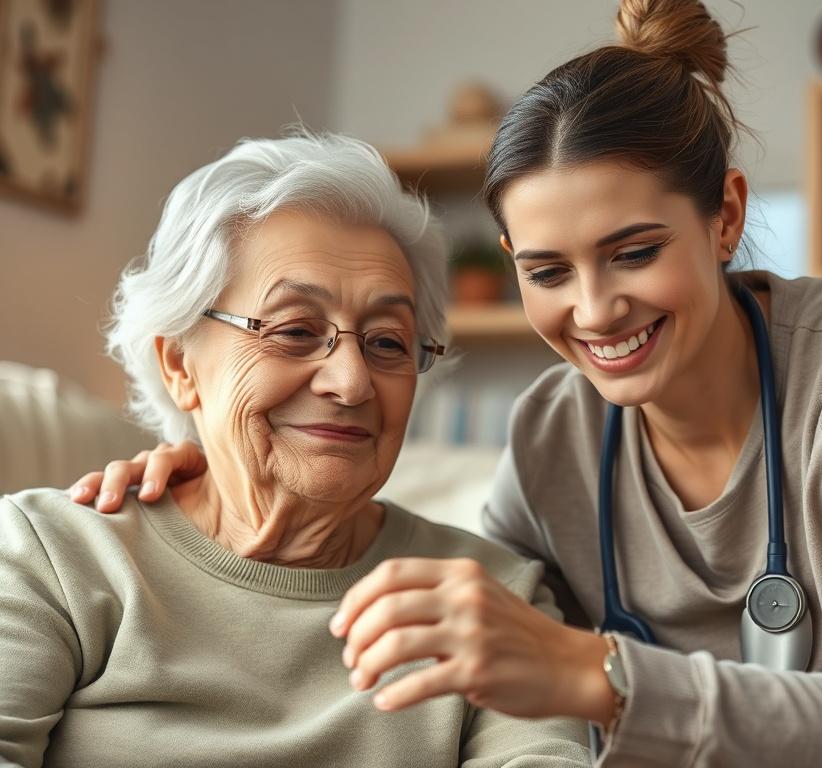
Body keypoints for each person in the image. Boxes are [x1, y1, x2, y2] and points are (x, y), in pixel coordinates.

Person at [68, 1, 822, 766]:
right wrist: (213, 468)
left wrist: (589, 672)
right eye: (548, 271)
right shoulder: (554, 438)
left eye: (635, 251)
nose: (597, 310)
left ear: (726, 216)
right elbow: (458, 627)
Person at [0, 132, 591, 767]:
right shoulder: (51, 555)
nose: (352, 381)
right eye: (295, 331)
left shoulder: (491, 600)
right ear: (179, 366)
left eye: (388, 342)